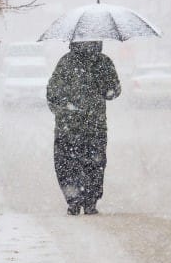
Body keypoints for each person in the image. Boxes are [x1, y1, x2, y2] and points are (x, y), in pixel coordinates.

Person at [46, 40, 121, 215]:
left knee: (66, 164)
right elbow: (113, 91)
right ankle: (90, 202)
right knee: (94, 164)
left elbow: (52, 93)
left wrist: (64, 109)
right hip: (95, 127)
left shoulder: (65, 62)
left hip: (67, 128)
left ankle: (73, 201)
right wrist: (104, 89)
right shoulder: (103, 61)